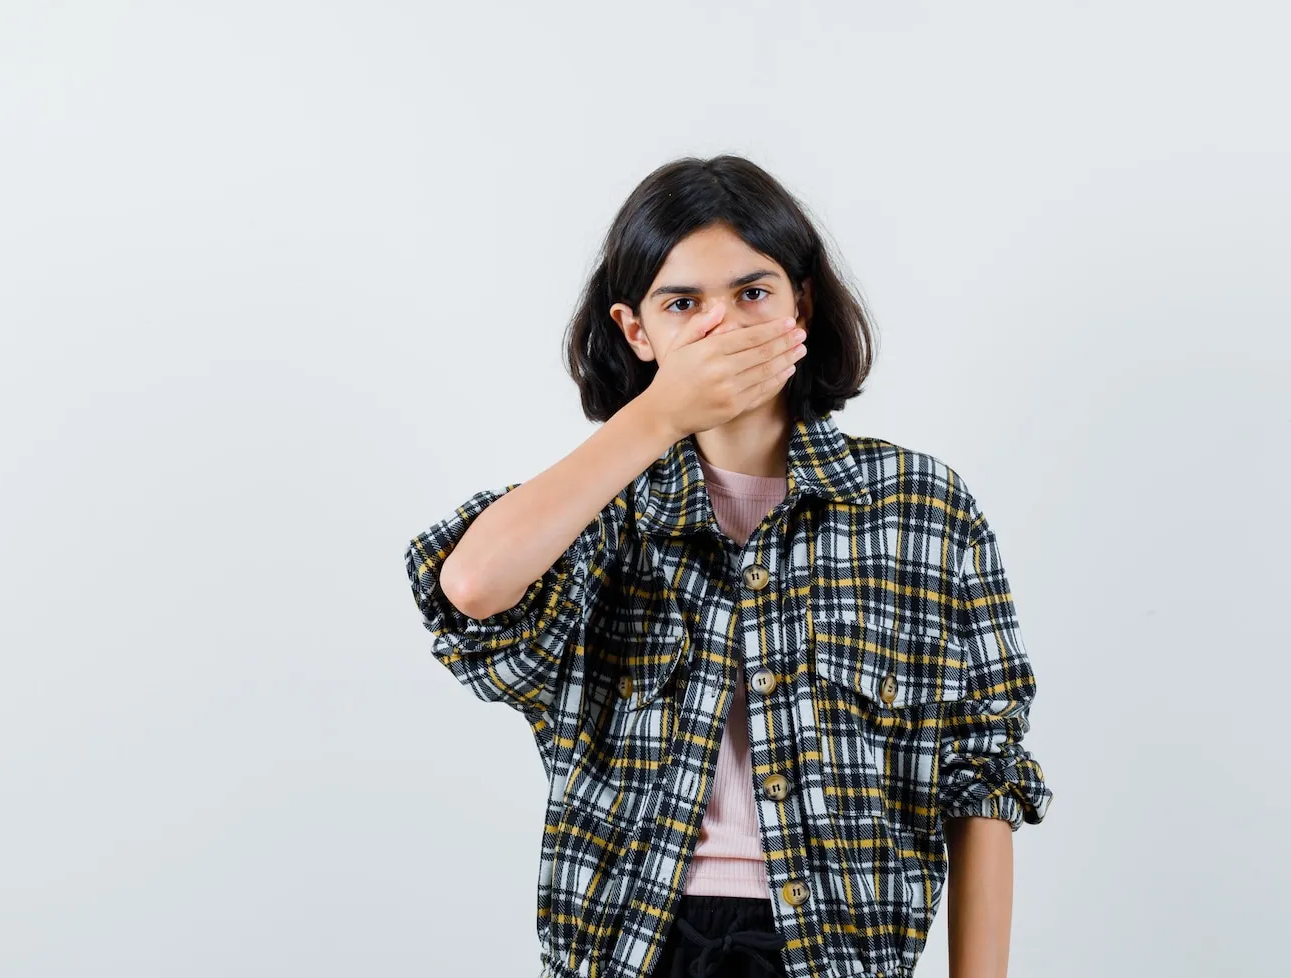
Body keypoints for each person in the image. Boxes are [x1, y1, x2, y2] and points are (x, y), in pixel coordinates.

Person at [403, 154, 1053, 978]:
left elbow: (981, 770)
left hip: (837, 949)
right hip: (634, 943)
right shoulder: (600, 507)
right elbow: (473, 590)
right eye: (683, 305)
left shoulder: (918, 505)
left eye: (753, 293)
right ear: (637, 331)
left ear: (801, 304)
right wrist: (662, 413)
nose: (725, 328)